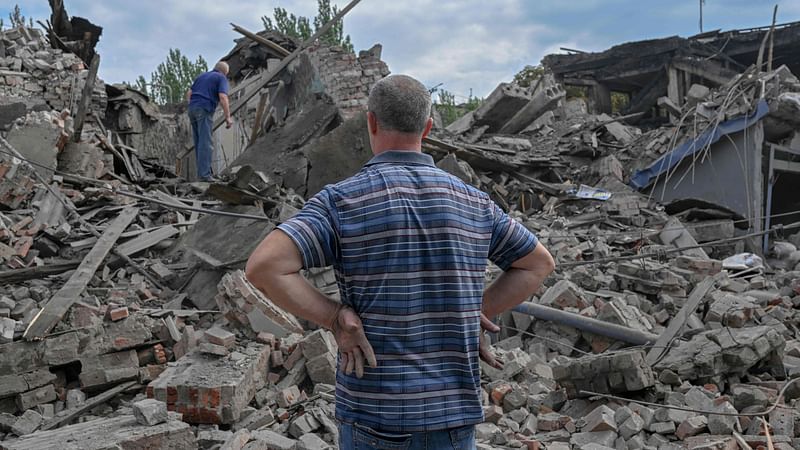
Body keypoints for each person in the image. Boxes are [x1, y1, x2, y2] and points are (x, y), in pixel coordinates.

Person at [245, 74, 555, 450]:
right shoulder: (475, 203)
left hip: (375, 415)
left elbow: (264, 266)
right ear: (427, 127)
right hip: (452, 418)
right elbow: (538, 264)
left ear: (370, 122)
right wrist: (473, 311)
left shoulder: (343, 201)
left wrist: (332, 317)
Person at [185, 61, 233, 181]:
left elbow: (189, 93)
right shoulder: (221, 78)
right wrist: (228, 117)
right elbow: (223, 97)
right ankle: (205, 175)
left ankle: (202, 173)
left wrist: (192, 105)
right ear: (224, 72)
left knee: (199, 142)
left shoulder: (201, 76)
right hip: (204, 108)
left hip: (192, 109)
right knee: (206, 143)